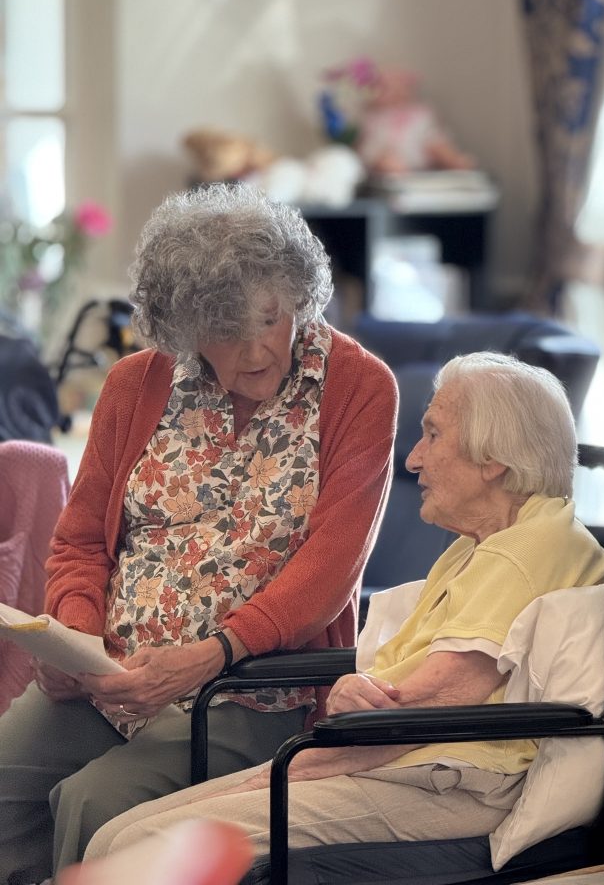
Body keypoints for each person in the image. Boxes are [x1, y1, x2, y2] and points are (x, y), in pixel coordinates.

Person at [82, 352, 604, 876]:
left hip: (447, 779)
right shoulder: (491, 544)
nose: (413, 460)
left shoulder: (519, 551)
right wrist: (351, 704)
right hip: (407, 762)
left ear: (492, 458)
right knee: (114, 839)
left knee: (137, 845)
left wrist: (308, 754)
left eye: (433, 435)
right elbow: (424, 693)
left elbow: (439, 700)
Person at [0, 183, 398, 884]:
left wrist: (213, 653)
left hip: (247, 690)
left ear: (299, 297)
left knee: (95, 805)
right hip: (112, 679)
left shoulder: (360, 387)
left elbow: (333, 566)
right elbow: (81, 542)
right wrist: (79, 637)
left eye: (271, 319)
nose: (254, 352)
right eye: (224, 332)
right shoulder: (136, 384)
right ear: (181, 329)